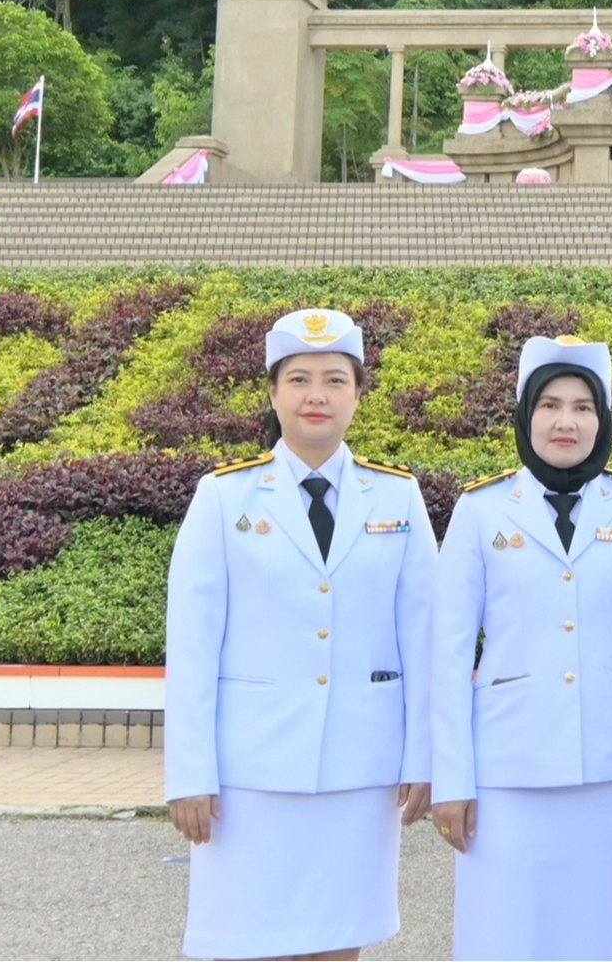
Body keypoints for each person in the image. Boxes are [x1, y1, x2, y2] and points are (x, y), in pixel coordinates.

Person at [164, 308, 436, 961]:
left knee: (339, 940)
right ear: (273, 392)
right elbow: (194, 643)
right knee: (246, 940)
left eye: (336, 380)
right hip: (249, 773)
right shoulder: (224, 498)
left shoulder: (397, 498)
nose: (318, 396)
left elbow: (424, 636)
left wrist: (425, 756)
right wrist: (189, 772)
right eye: (300, 379)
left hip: (359, 766)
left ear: (358, 393)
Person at [430, 335, 612, 960]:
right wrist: (451, 777)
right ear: (525, 414)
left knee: (591, 934)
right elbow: (449, 651)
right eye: (551, 404)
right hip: (504, 768)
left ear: (604, 418)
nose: (567, 421)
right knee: (499, 933)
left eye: (584, 406)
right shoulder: (481, 510)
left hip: (607, 766)